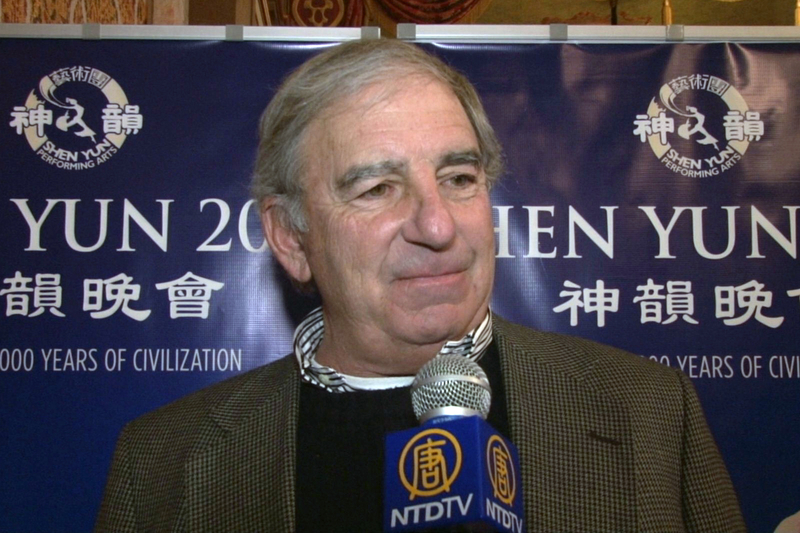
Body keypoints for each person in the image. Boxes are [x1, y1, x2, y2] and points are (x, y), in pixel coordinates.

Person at [95, 39, 746, 532]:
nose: (437, 226)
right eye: (378, 188)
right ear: (291, 237)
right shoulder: (163, 464)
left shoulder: (649, 413)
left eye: (459, 178)